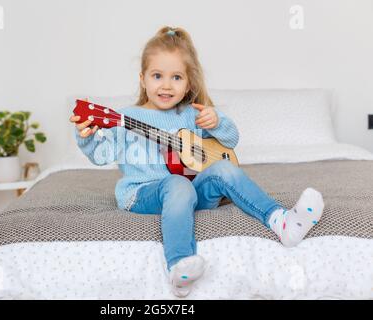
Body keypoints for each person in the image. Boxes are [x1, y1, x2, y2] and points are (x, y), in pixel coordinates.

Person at [70, 26, 324, 298]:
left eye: (176, 77)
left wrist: (217, 122)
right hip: (142, 194)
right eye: (157, 76)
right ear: (142, 79)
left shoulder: (191, 115)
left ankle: (282, 222)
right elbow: (101, 155)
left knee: (223, 169)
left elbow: (229, 142)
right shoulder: (124, 117)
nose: (166, 85)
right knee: (177, 183)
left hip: (191, 192)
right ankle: (179, 264)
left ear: (188, 84)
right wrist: (86, 137)